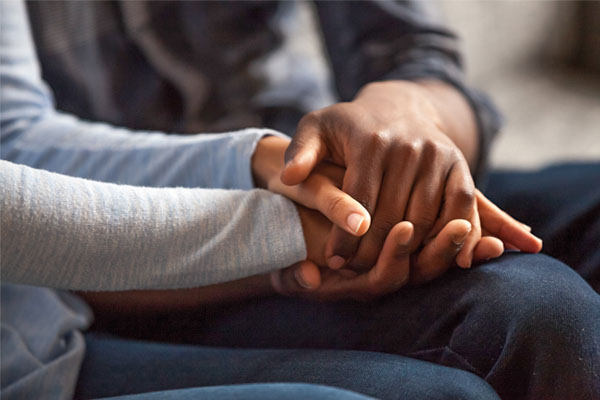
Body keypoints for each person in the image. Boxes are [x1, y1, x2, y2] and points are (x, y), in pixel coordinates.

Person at [1, 1, 598, 400]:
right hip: (114, 249)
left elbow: (418, 55)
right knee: (534, 309)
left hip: (319, 174)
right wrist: (294, 223)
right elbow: (18, 147)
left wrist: (408, 117)